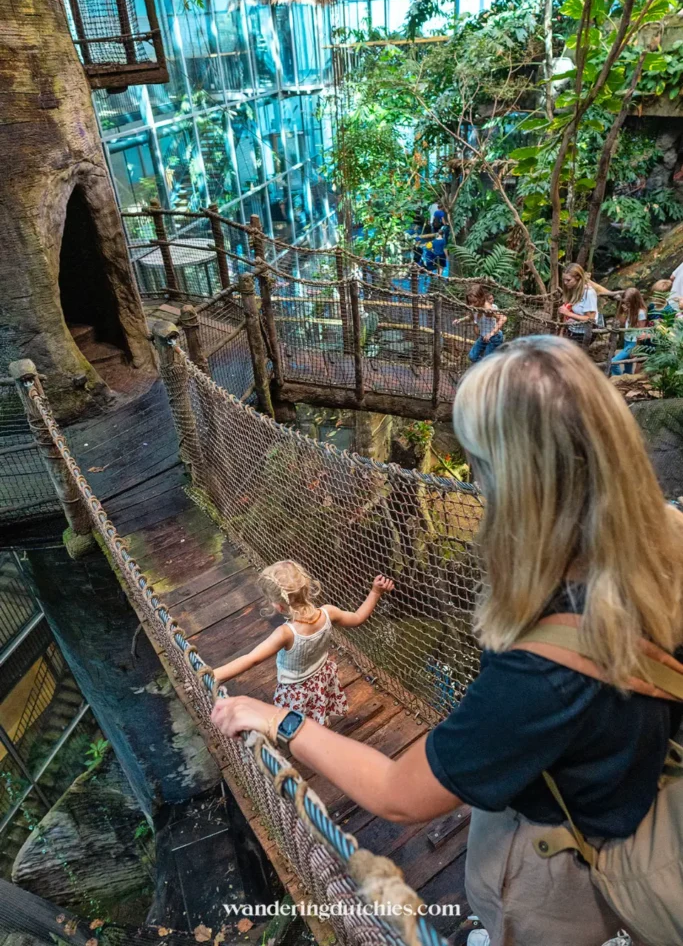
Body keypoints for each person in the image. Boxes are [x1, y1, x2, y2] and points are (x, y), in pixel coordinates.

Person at [212, 336, 683, 946]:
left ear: (509, 482)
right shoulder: (665, 543)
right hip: (627, 785)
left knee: (510, 919)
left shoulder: (546, 671)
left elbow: (399, 796)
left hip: (555, 856)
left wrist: (278, 719)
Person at [212, 560, 394, 725]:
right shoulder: (328, 613)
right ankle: (320, 720)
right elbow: (357, 618)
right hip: (321, 678)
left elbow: (251, 659)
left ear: (277, 606)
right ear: (307, 587)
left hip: (296, 690)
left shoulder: (285, 633)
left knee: (297, 724)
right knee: (317, 705)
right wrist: (375, 591)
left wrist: (212, 676)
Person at [610, 287, 648, 375]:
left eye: (628, 303)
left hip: (633, 342)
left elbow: (640, 331)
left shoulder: (641, 313)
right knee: (628, 364)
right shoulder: (629, 310)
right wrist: (623, 311)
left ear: (634, 301)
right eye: (625, 303)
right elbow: (622, 322)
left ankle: (619, 379)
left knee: (614, 362)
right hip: (627, 340)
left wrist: (636, 348)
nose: (626, 305)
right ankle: (627, 379)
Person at [466, 285, 507, 363]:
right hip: (483, 337)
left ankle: (489, 367)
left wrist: (491, 333)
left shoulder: (488, 309)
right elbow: (471, 317)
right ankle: (487, 367)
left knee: (486, 361)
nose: (472, 305)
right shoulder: (476, 307)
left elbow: (503, 318)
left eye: (474, 302)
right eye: (470, 302)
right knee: (472, 356)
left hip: (494, 337)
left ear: (481, 298)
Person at [560, 264, 598, 344]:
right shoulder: (572, 289)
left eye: (568, 280)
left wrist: (568, 313)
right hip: (573, 328)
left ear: (578, 278)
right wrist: (562, 331)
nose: (565, 283)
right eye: (564, 280)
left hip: (584, 332)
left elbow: (591, 319)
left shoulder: (589, 293)